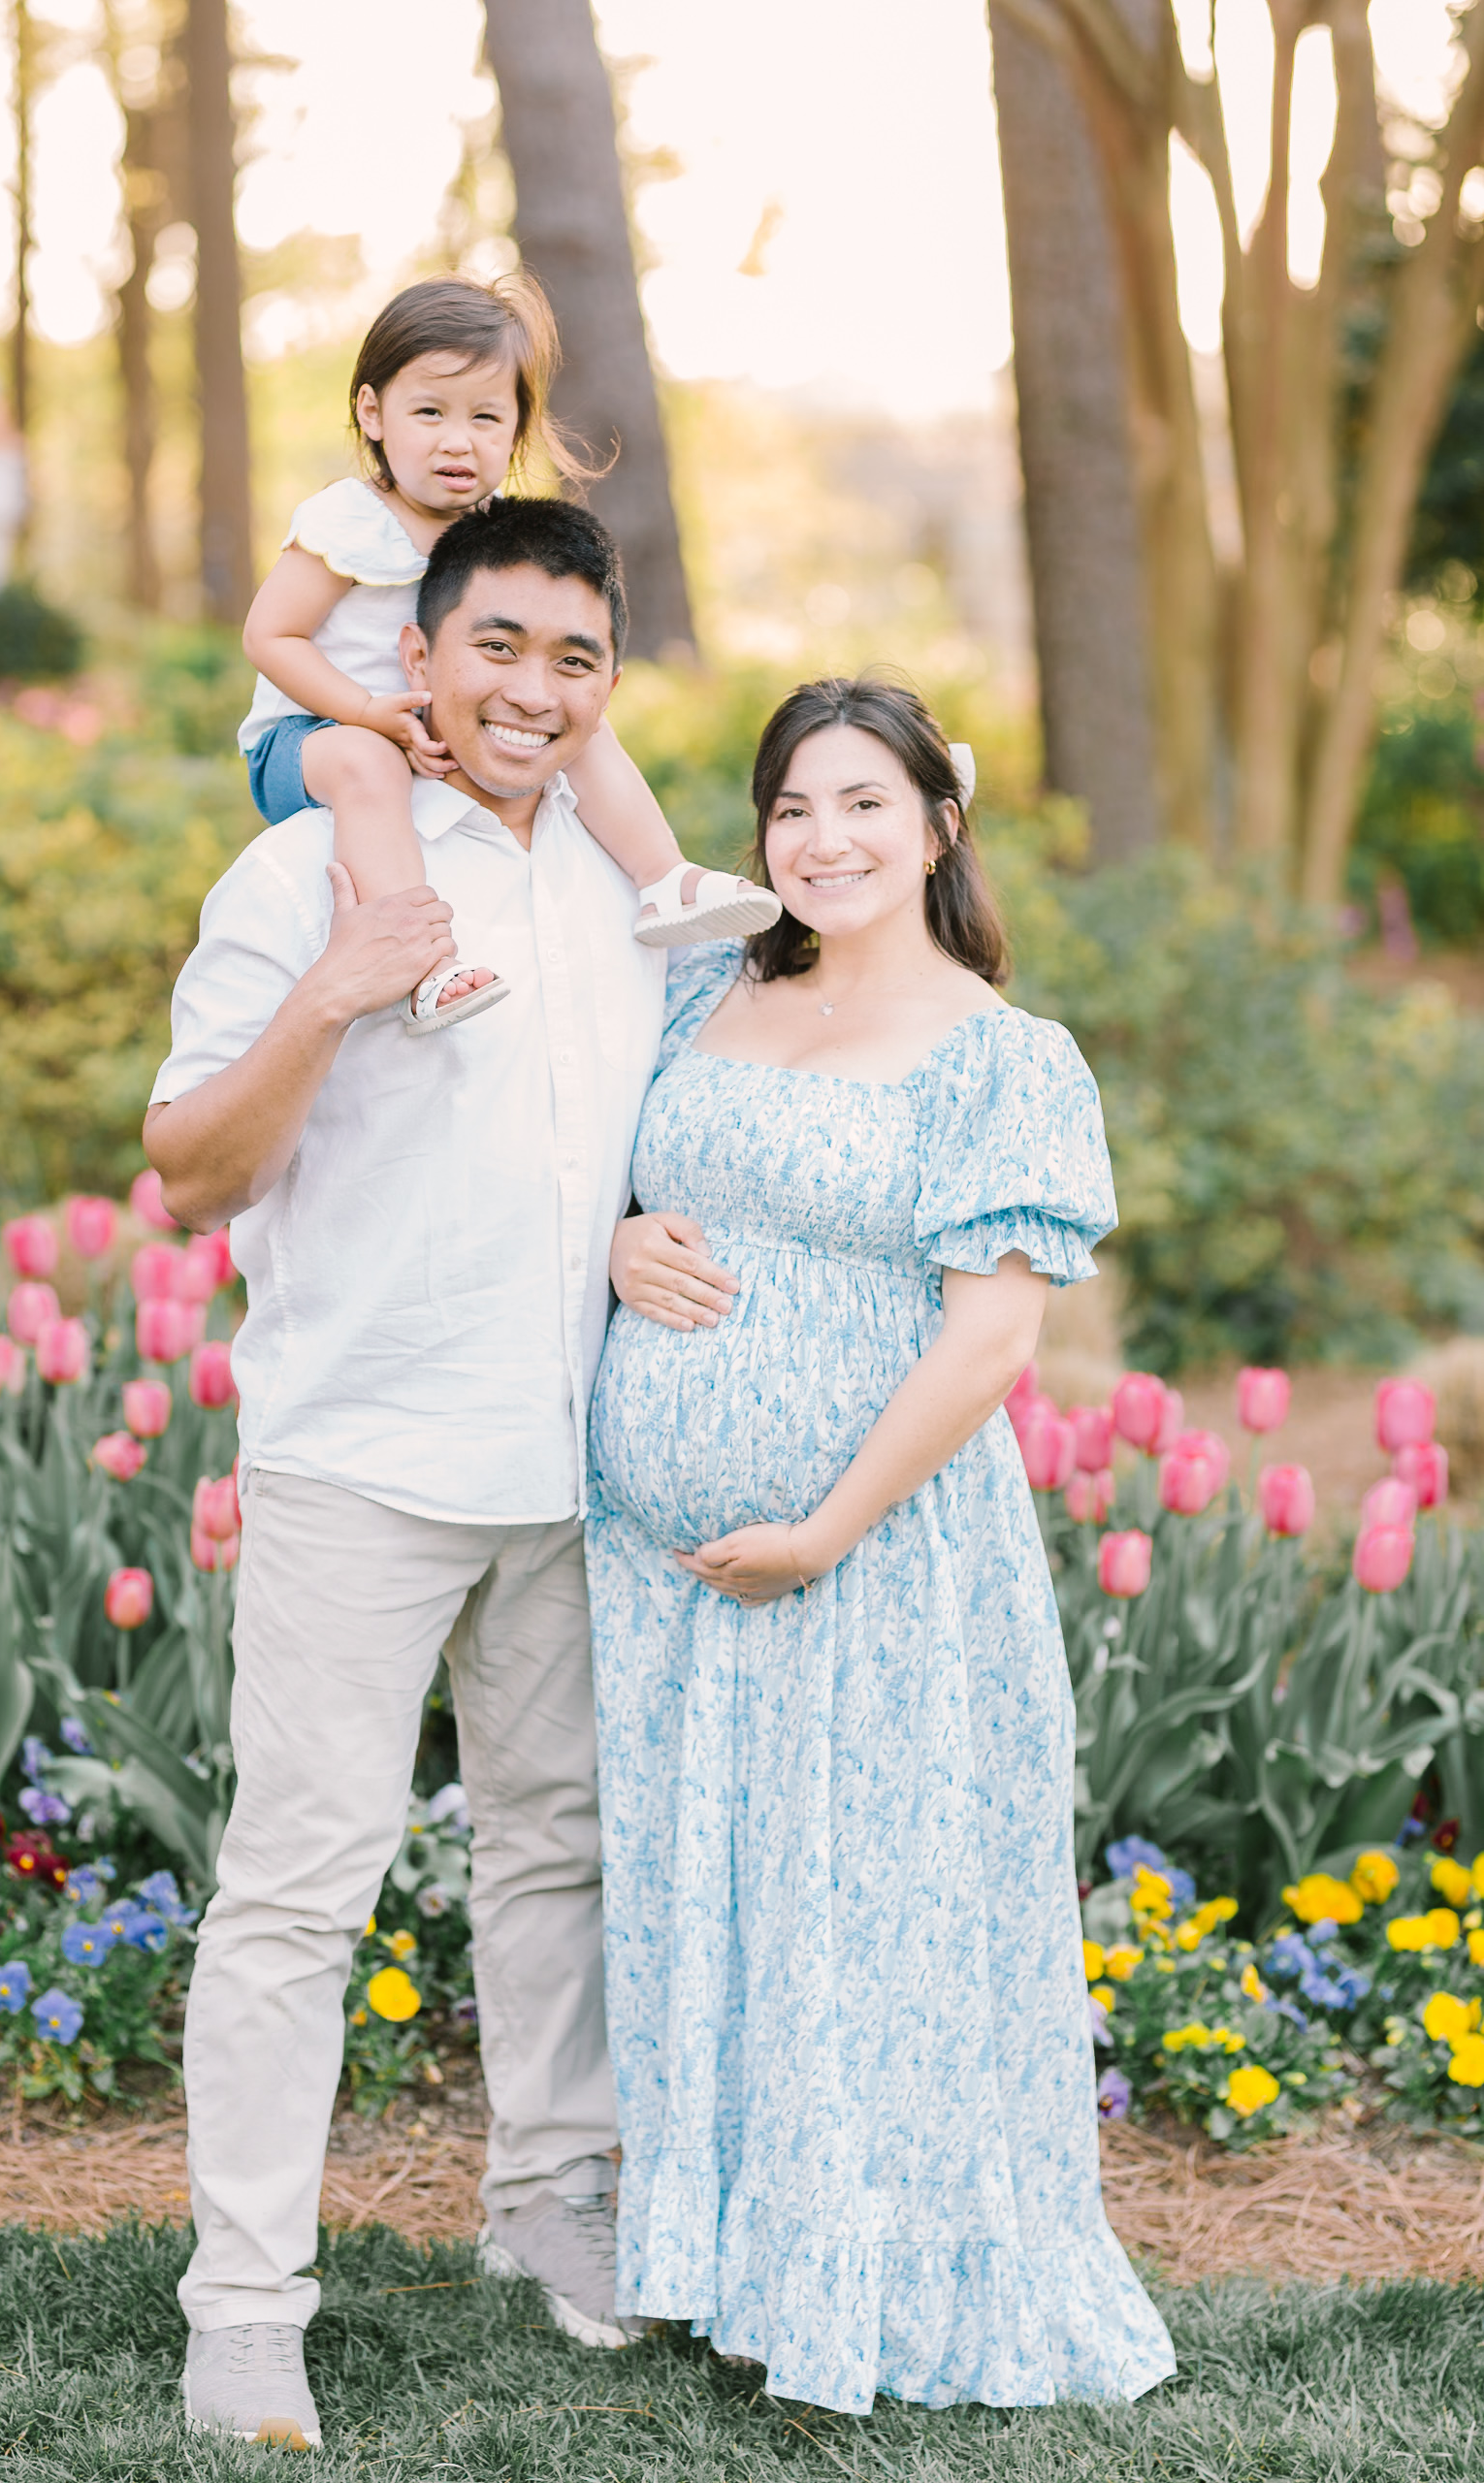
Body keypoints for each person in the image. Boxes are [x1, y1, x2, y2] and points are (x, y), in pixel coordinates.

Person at [585, 676, 1177, 2415]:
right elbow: (613, 1187)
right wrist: (619, 1246)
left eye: (860, 804)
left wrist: (822, 1531)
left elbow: (990, 1344)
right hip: (667, 1572)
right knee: (728, 1906)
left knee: (875, 1924)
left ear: (935, 824)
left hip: (877, 1562)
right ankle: (736, 2264)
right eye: (789, 808)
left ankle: (888, 2291)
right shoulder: (708, 986)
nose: (821, 841)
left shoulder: (1002, 1056)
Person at [145, 497, 667, 2451]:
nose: (532, 687)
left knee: (560, 1854)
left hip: (573, 1465)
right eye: (500, 645)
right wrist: (337, 988)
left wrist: (635, 1230)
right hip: (360, 1454)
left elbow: (675, 1133)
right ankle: (246, 2305)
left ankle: (551, 2211)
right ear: (420, 660)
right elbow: (192, 1164)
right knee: (295, 1891)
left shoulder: (641, 895)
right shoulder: (301, 870)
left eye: (572, 657)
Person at [239, 272, 778, 1032]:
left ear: (517, 428)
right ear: (372, 412)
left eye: (487, 418)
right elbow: (270, 636)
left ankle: (663, 880)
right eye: (428, 412)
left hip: (431, 723)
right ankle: (421, 966)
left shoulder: (495, 535)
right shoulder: (348, 520)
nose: (457, 440)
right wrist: (365, 714)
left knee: (579, 719)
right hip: (311, 738)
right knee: (368, 765)